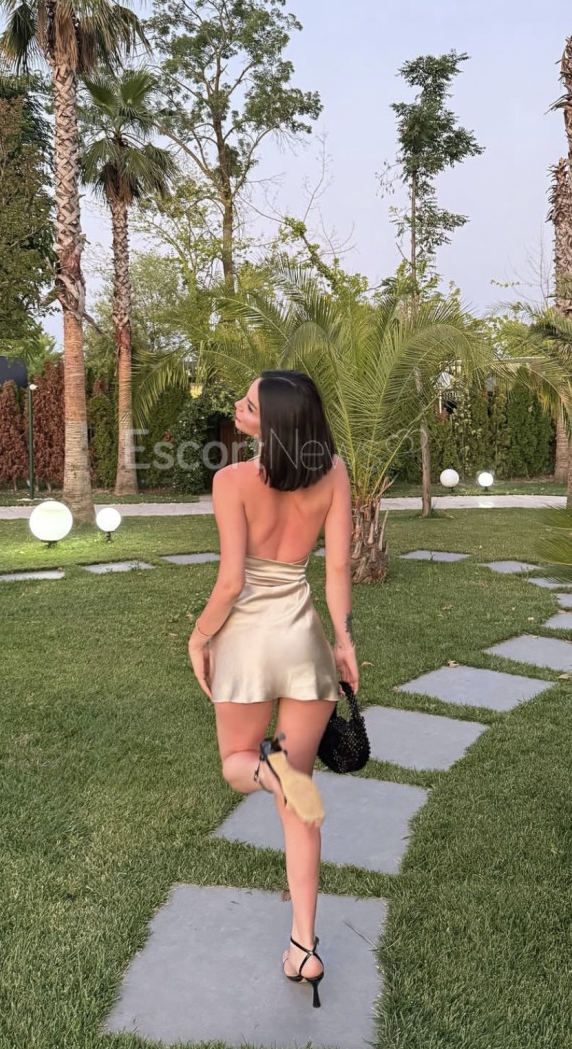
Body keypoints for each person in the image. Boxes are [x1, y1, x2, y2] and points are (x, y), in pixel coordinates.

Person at [187, 369, 359, 1010]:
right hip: (303, 641)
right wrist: (343, 641)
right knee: (300, 801)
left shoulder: (231, 480)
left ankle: (272, 774)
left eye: (249, 403)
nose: (238, 405)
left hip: (247, 642)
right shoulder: (333, 473)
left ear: (274, 424)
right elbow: (336, 568)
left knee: (239, 765)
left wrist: (199, 636)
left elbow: (232, 581)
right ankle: (305, 947)